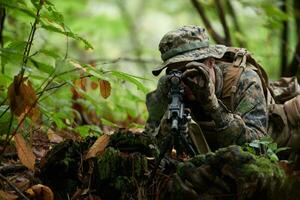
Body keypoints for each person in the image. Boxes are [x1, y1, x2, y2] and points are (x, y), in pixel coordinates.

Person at [145, 25, 268, 152]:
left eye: (191, 70)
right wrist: (165, 131)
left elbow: (258, 147)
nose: (185, 80)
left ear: (210, 62)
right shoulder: (170, 84)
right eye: (175, 72)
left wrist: (214, 107)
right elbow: (149, 141)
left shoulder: (245, 80)